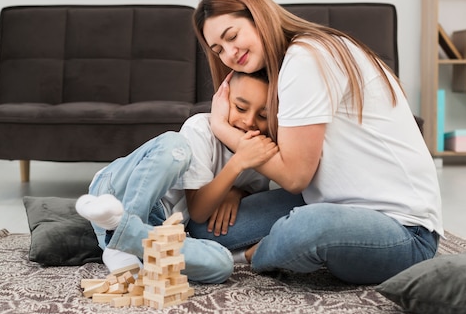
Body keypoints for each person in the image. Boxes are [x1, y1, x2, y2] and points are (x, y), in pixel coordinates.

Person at [191, 0, 444, 284]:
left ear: (258, 15)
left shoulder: (306, 57)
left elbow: (295, 176)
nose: (229, 53)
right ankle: (282, 243)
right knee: (205, 228)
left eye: (232, 36)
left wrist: (220, 127)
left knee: (308, 227)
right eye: (218, 50)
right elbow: (284, 164)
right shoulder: (285, 67)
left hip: (404, 231)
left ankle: (252, 256)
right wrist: (237, 189)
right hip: (332, 203)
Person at [75, 69, 301, 284]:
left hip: (159, 227)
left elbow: (251, 190)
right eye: (240, 108)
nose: (250, 121)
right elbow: (199, 211)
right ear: (223, 100)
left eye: (263, 115)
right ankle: (123, 237)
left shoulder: (259, 149)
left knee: (222, 265)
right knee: (175, 146)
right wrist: (238, 162)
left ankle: (126, 237)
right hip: (122, 191)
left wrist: (237, 193)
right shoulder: (201, 128)